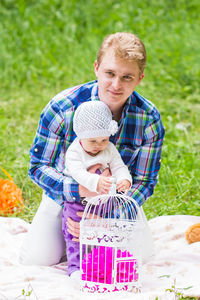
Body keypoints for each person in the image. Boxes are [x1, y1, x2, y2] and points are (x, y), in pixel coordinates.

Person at [19, 32, 165, 267]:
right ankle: (67, 240)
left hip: (117, 200)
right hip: (66, 196)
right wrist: (80, 191)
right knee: (37, 260)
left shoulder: (148, 118)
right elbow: (38, 167)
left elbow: (145, 181)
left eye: (127, 77)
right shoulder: (62, 107)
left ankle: (90, 241)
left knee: (143, 259)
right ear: (96, 68)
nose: (116, 85)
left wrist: (107, 217)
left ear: (140, 78)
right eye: (110, 73)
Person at [62, 100, 132, 278]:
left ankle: (100, 264)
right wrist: (96, 182)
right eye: (93, 140)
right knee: (75, 235)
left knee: (104, 236)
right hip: (77, 205)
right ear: (80, 136)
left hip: (103, 204)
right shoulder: (74, 152)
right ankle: (76, 268)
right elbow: (78, 173)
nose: (99, 145)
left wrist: (124, 179)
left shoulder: (108, 148)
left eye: (104, 139)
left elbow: (119, 166)